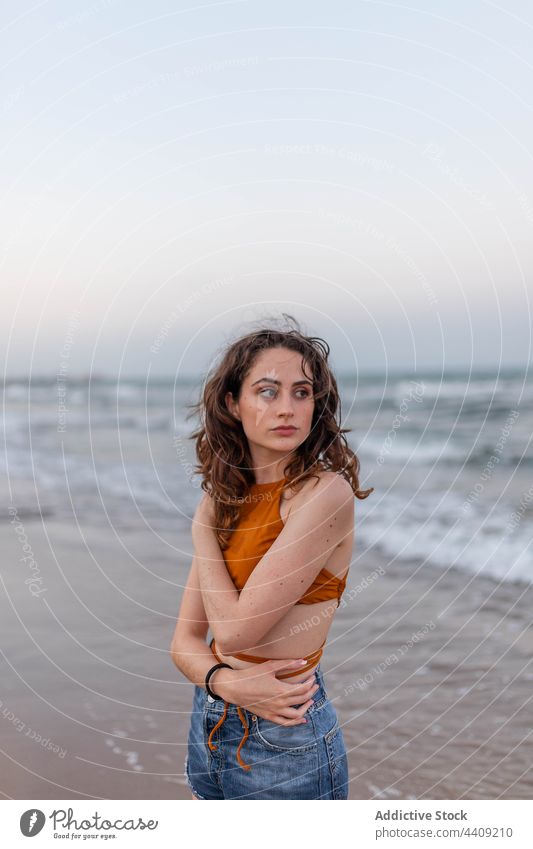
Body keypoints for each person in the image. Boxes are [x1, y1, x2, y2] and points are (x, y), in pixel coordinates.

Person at [170, 315, 373, 799]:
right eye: (268, 391)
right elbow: (183, 642)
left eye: (302, 393)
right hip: (212, 720)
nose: (288, 408)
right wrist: (223, 683)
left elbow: (239, 631)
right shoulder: (227, 499)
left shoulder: (325, 493)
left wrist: (203, 532)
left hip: (284, 737)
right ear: (232, 403)